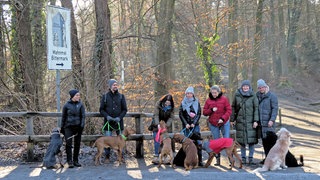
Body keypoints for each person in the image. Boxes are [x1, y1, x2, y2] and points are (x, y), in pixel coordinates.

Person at [230, 80, 259, 165]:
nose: (245, 87)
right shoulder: (237, 95)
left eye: (247, 86)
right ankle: (243, 158)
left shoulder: (253, 96)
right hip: (240, 121)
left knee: (251, 141)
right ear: (241, 87)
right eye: (244, 86)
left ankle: (251, 158)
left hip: (251, 122)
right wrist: (232, 119)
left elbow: (256, 108)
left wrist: (256, 121)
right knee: (242, 141)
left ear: (249, 87)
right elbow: (233, 107)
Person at [203, 85, 232, 165]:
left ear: (218, 92)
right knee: (216, 141)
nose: (214, 94)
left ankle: (230, 159)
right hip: (213, 123)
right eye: (212, 93)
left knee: (226, 139)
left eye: (215, 93)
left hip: (224, 122)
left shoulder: (224, 99)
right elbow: (204, 112)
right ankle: (218, 159)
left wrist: (222, 119)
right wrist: (211, 110)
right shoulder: (208, 100)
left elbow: (229, 111)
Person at [99, 79, 128, 160]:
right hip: (108, 123)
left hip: (119, 122)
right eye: (113, 85)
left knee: (121, 141)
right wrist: (107, 116)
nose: (115, 86)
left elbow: (125, 110)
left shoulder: (121, 96)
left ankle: (121, 157)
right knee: (107, 140)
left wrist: (119, 117)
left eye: (116, 84)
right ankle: (107, 157)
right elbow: (101, 110)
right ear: (110, 86)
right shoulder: (105, 97)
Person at [61, 89, 86, 168]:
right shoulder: (66, 105)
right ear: (72, 96)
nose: (78, 96)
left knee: (77, 144)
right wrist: (62, 128)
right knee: (68, 144)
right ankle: (69, 161)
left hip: (78, 127)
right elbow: (63, 117)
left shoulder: (81, 105)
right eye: (77, 95)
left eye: (79, 95)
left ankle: (76, 160)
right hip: (68, 127)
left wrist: (82, 126)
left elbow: (83, 116)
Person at [179, 86, 203, 166]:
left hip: (195, 125)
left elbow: (199, 113)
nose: (189, 95)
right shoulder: (183, 103)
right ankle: (186, 160)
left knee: (198, 142)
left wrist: (194, 123)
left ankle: (200, 160)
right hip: (186, 126)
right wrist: (186, 123)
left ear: (193, 94)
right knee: (187, 143)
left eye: (190, 93)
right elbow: (181, 114)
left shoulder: (196, 102)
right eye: (187, 93)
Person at [256, 79, 279, 163]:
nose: (261, 89)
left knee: (272, 143)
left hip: (269, 123)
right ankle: (267, 159)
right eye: (259, 88)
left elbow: (275, 109)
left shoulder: (272, 96)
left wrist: (272, 120)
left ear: (266, 87)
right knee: (264, 142)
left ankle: (274, 160)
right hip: (261, 124)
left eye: (262, 87)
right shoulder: (257, 96)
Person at [151, 94, 175, 164]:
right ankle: (156, 156)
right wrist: (158, 124)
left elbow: (171, 117)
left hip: (165, 125)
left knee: (166, 140)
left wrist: (166, 125)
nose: (167, 103)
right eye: (166, 101)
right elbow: (156, 115)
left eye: (169, 102)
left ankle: (165, 157)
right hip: (157, 124)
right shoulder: (158, 104)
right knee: (157, 139)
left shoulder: (172, 107)